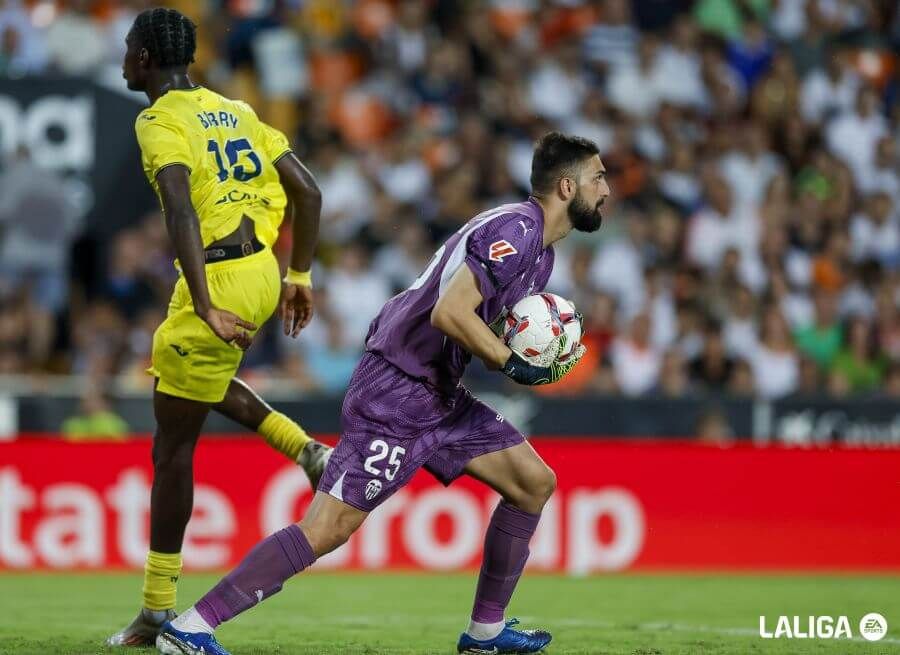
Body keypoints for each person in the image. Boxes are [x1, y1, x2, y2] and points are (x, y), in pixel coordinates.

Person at [155, 132, 609, 655]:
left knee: (533, 483)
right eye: (599, 178)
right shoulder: (518, 231)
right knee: (329, 527)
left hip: (438, 391)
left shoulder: (541, 257)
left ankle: (485, 634)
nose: (606, 190)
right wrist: (514, 364)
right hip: (398, 387)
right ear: (567, 185)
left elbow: (476, 325)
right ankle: (191, 626)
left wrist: (525, 351)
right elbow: (449, 313)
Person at [107, 8, 331, 647]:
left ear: (147, 58)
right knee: (192, 378)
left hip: (219, 278)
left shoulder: (157, 120)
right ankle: (306, 450)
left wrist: (205, 302)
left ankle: (155, 612)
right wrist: (300, 278)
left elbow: (178, 205)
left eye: (129, 49)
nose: (123, 59)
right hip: (262, 268)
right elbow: (308, 193)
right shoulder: (234, 108)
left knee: (171, 448)